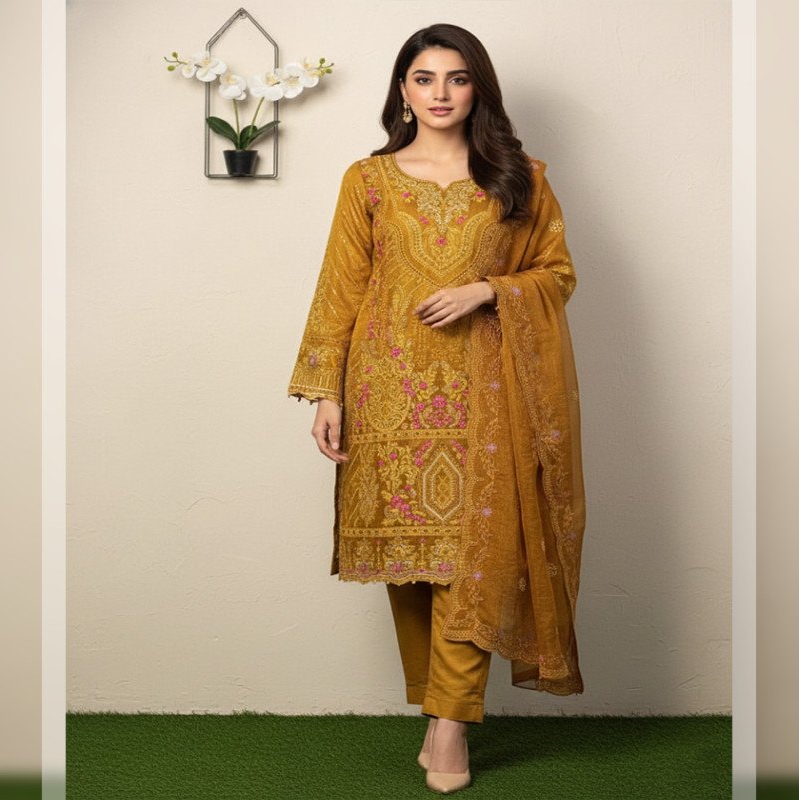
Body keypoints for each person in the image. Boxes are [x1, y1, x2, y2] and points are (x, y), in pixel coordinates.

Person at [287, 22, 586, 795]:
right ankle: (437, 705)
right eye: (425, 79)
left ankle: (450, 726)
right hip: (385, 391)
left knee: (474, 558)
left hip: (487, 395)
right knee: (411, 563)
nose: (441, 93)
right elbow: (340, 286)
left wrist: (489, 290)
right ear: (403, 91)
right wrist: (326, 391)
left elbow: (556, 274)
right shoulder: (368, 181)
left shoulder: (519, 179)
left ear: (477, 89)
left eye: (457, 78)